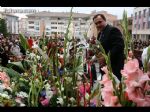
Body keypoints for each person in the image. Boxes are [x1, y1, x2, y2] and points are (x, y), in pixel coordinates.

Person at [93, 14, 125, 81]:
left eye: (100, 22)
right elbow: (101, 49)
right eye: (96, 23)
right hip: (105, 68)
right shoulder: (100, 34)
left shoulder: (113, 30)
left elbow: (119, 46)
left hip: (115, 67)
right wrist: (94, 57)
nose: (98, 25)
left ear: (105, 20)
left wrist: (106, 58)